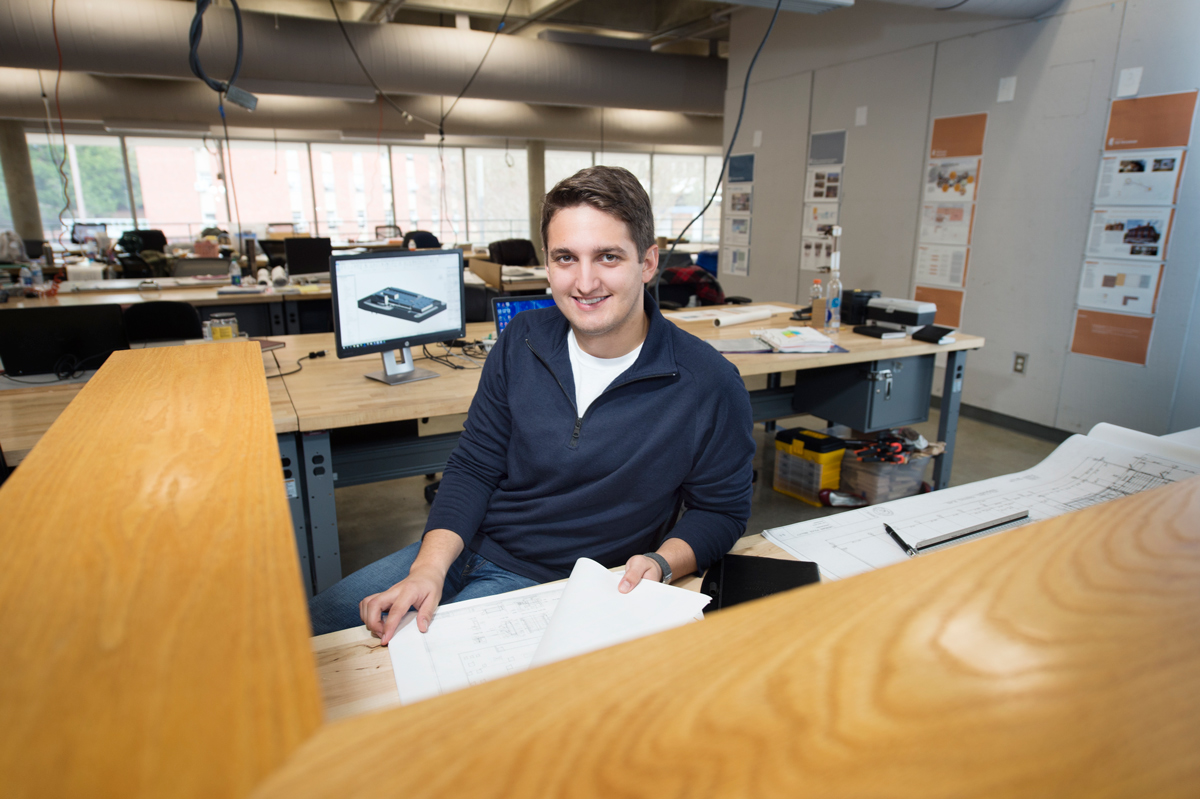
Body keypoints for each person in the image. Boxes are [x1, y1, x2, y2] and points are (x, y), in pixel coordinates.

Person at [309, 166, 755, 643]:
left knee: (406, 666)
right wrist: (429, 568)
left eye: (607, 256)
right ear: (548, 263)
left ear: (647, 263)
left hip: (551, 578)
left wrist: (664, 562)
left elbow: (721, 512)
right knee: (308, 627)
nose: (585, 282)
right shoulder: (522, 339)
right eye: (566, 258)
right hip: (465, 544)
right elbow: (475, 465)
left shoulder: (707, 382)